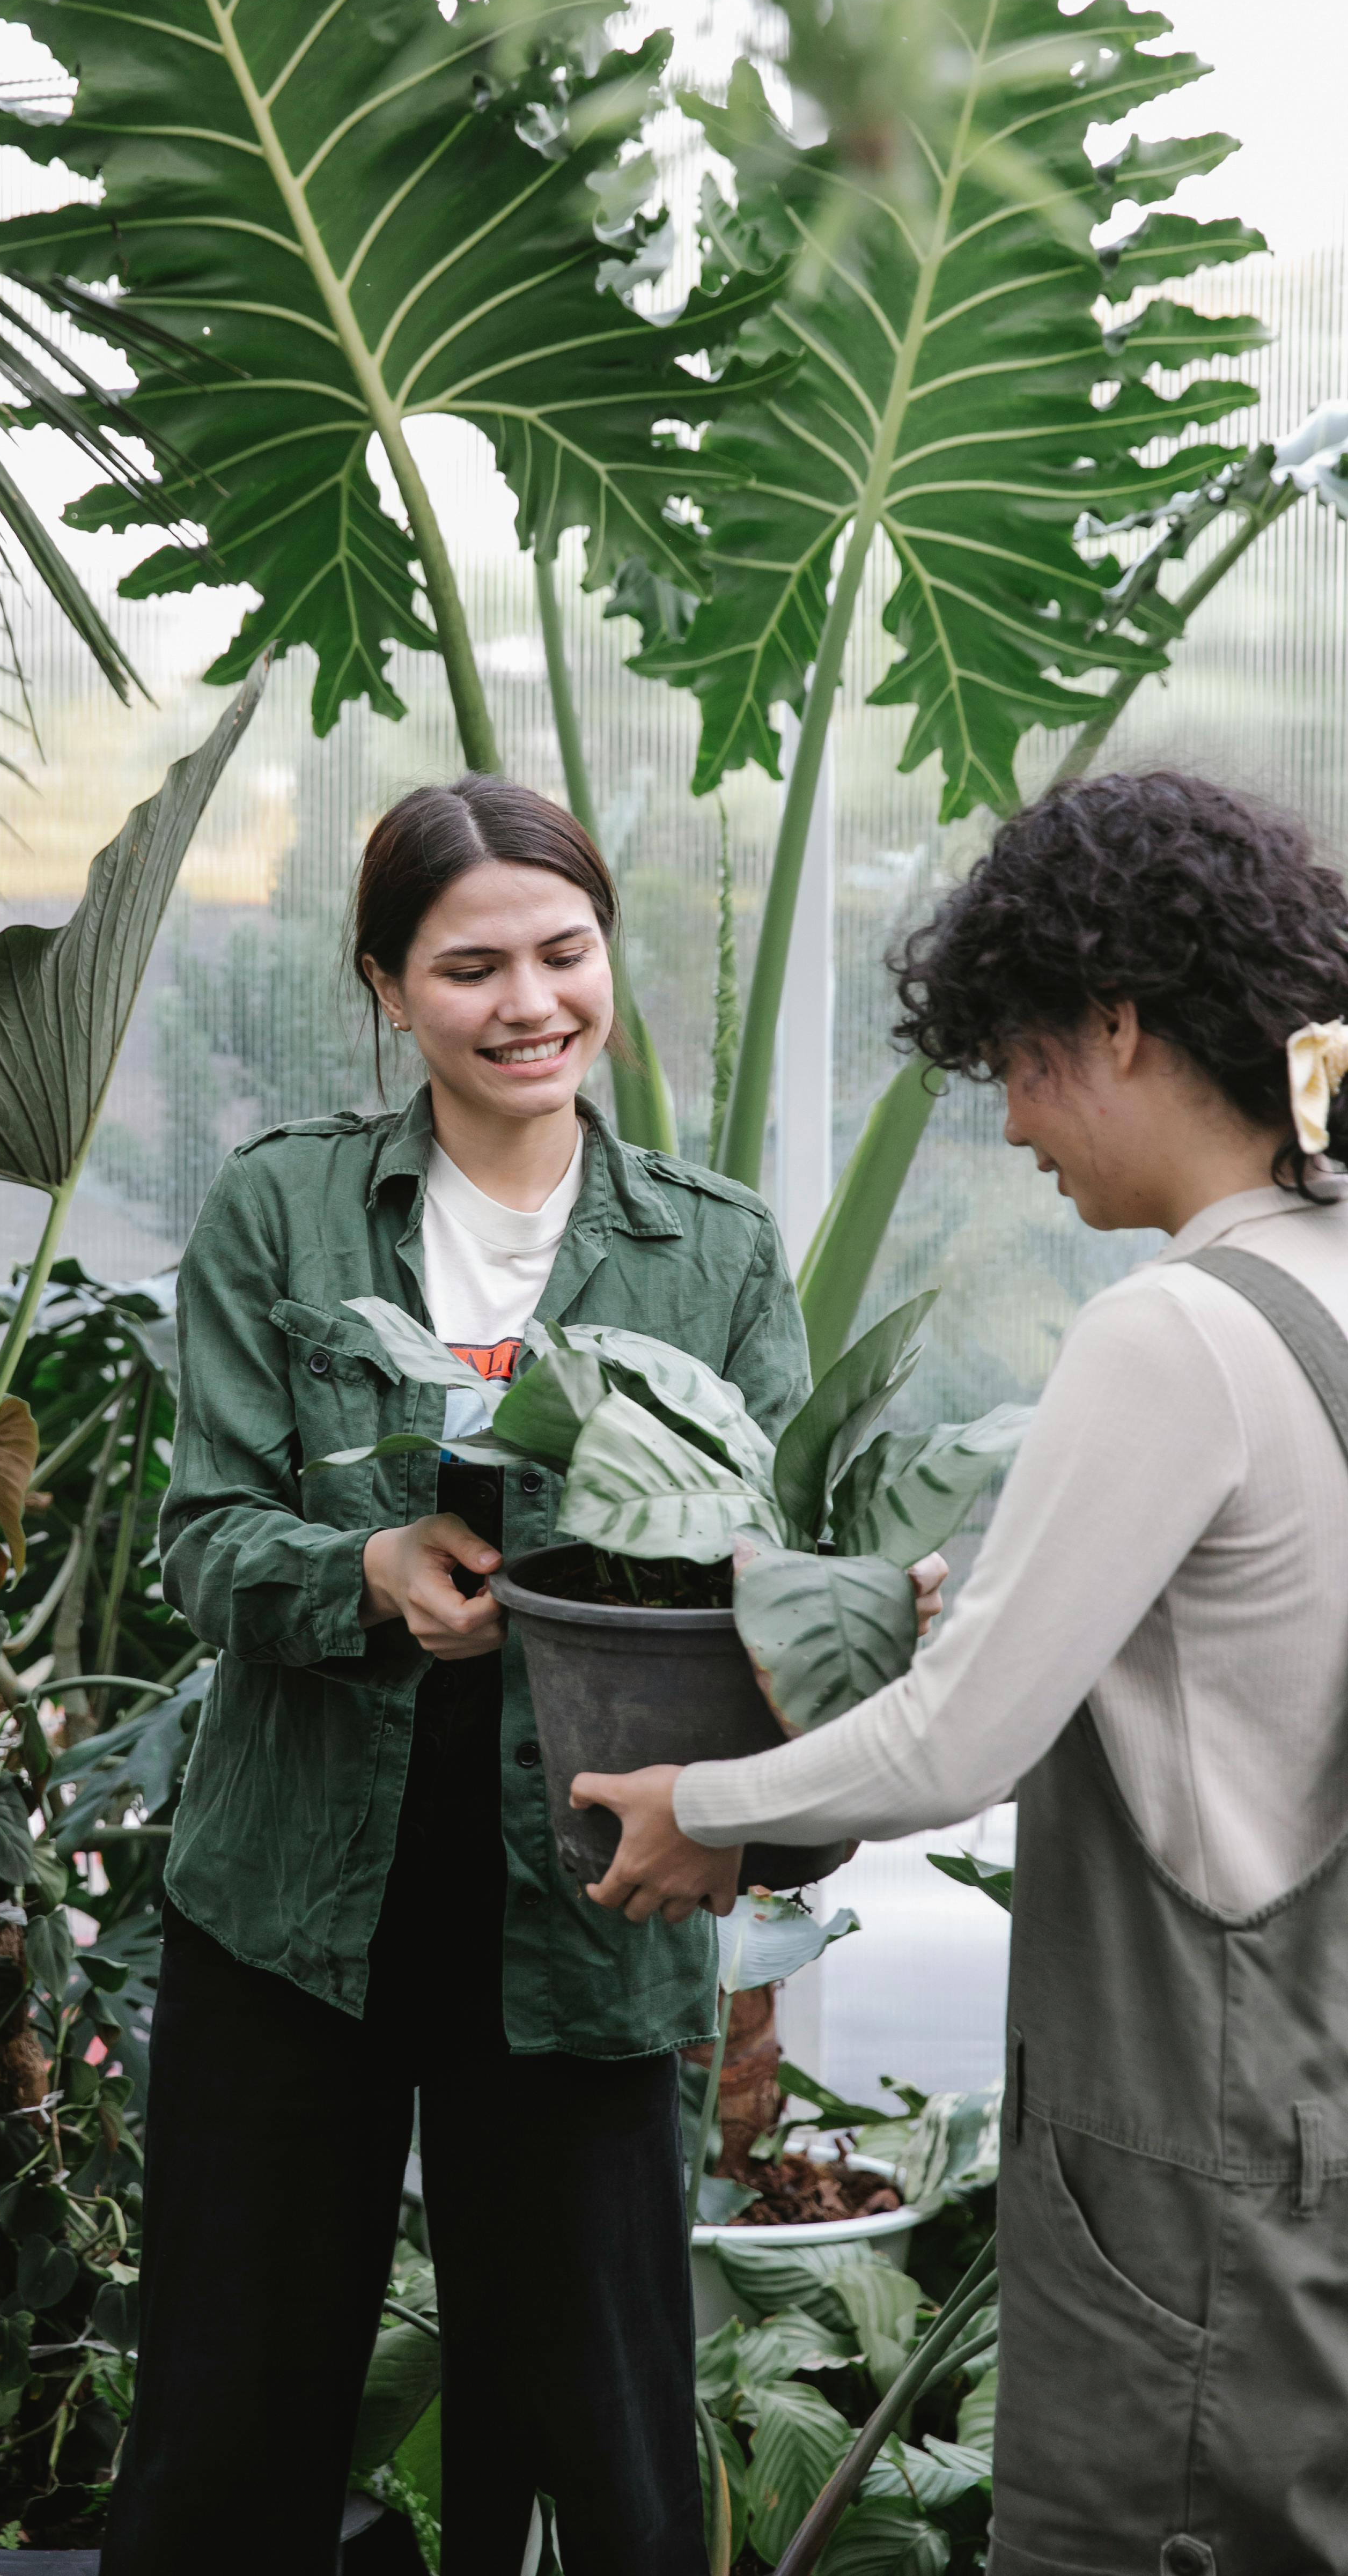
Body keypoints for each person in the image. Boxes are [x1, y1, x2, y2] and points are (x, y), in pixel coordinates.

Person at [574, 767, 1348, 2576]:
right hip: (1313, 2115)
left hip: (1188, 2173)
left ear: (1120, 1022)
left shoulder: (1174, 1330)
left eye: (1021, 1064)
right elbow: (1234, 1655)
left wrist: (700, 1807)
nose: (1015, 1129)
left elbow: (951, 1752)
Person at [99, 777, 811, 2576]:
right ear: (387, 987)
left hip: (585, 1895)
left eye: (565, 954)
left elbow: (757, 1573)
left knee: (614, 2443)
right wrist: (368, 1570)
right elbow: (200, 1540)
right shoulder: (285, 1213)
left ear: (607, 960)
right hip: (294, 1909)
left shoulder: (710, 1248)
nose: (530, 1004)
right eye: (471, 966)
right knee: (227, 2431)